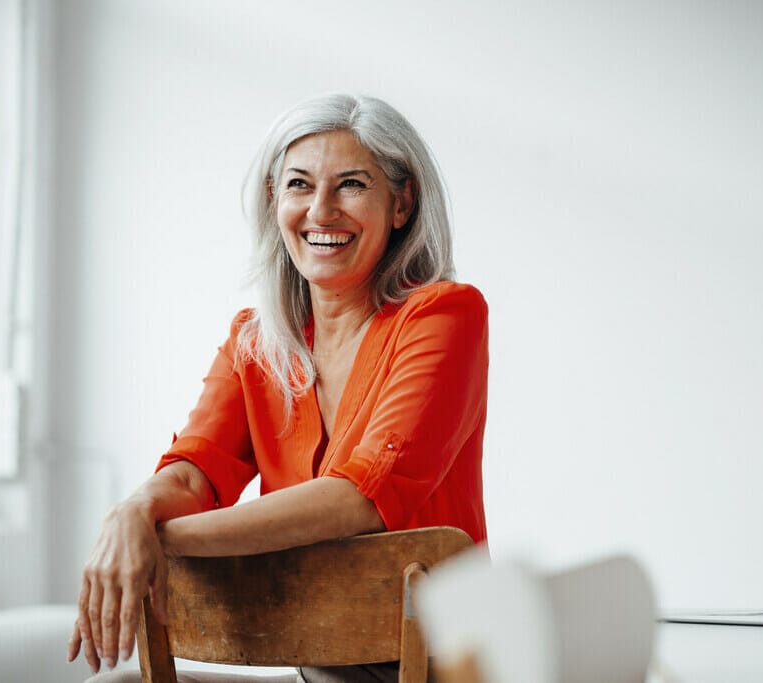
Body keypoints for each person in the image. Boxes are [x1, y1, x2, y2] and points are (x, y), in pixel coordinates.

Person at [67, 94, 489, 683]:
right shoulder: (253, 342)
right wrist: (130, 513)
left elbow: (361, 497)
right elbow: (194, 473)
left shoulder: (446, 315)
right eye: (298, 184)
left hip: (440, 668)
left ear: (401, 203)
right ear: (275, 201)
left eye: (351, 185)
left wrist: (155, 541)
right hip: (318, 669)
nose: (321, 210)